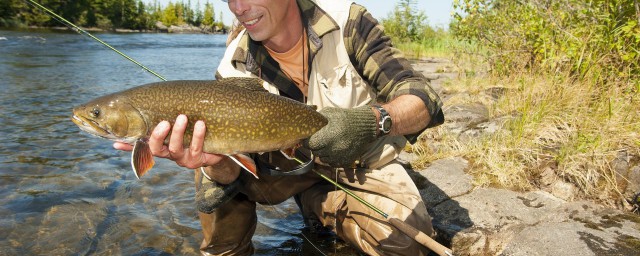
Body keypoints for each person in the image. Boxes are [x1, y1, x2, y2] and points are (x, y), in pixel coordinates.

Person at [115, 0, 444, 255]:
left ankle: (320, 203)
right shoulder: (232, 65)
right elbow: (233, 171)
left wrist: (373, 120)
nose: (238, 8)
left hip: (357, 161)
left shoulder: (347, 21)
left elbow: (422, 99)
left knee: (406, 245)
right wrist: (216, 165)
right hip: (278, 167)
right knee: (210, 175)